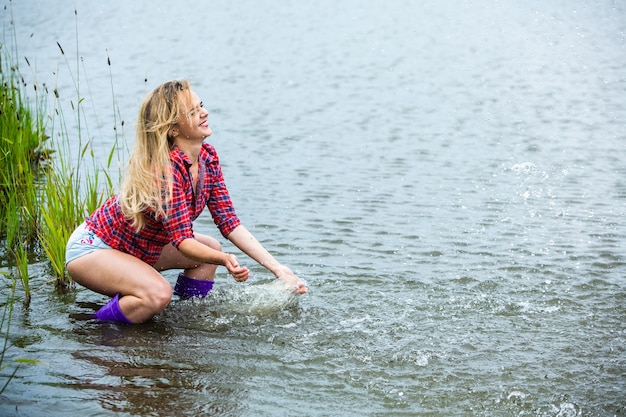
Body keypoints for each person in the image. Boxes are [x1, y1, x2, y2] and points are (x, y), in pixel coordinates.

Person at [65, 79, 307, 324]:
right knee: (157, 294)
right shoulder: (165, 171)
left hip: (138, 248)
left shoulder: (207, 159)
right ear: (173, 129)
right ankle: (93, 327)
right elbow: (182, 241)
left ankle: (185, 321)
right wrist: (224, 261)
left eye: (201, 106)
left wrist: (277, 269)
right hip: (95, 249)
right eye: (193, 112)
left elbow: (229, 223)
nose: (205, 113)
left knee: (209, 250)